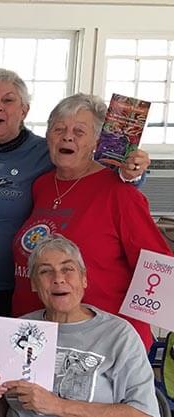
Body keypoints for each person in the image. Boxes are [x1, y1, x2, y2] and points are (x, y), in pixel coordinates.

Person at [0, 68, 150, 316]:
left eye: (8, 100)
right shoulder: (40, 181)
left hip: (91, 322)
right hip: (0, 295)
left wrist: (133, 175)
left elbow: (112, 177)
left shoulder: (45, 153)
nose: (67, 138)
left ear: (25, 110)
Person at [11, 93, 172, 348]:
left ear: (97, 141)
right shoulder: (42, 185)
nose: (67, 136)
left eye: (79, 131)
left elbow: (156, 267)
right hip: (36, 335)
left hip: (98, 341)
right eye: (59, 129)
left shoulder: (119, 193)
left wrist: (130, 342)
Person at [0, 236, 159, 417]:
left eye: (67, 269)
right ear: (34, 284)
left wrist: (59, 406)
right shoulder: (18, 330)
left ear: (84, 279)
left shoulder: (118, 334)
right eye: (45, 271)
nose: (58, 278)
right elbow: (5, 411)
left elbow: (143, 413)